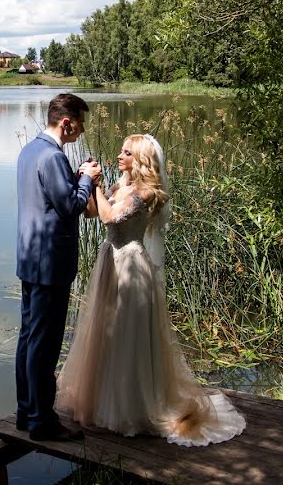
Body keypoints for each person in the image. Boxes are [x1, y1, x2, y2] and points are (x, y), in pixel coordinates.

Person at [56, 134, 245, 446]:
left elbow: (110, 216)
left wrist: (98, 187)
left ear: (140, 159)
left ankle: (132, 406)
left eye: (126, 153)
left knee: (128, 336)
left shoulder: (146, 192)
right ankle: (107, 400)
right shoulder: (122, 186)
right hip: (110, 264)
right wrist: (87, 185)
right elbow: (92, 213)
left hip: (130, 267)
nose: (119, 156)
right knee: (108, 333)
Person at [15, 93, 102, 442]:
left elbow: (51, 199)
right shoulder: (52, 156)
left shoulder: (30, 151)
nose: (81, 132)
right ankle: (41, 421)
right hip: (49, 262)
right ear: (66, 123)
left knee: (29, 339)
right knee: (45, 344)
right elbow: (69, 207)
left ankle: (26, 411)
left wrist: (76, 177)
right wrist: (88, 180)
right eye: (79, 125)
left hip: (30, 257)